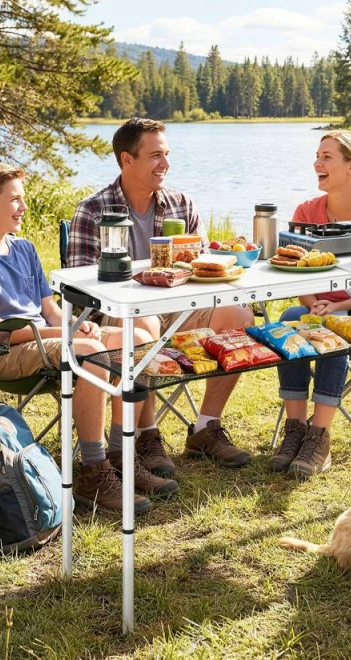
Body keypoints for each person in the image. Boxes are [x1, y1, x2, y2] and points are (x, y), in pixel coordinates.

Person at [0, 162, 167, 517]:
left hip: (44, 341)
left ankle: (120, 454)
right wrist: (68, 334)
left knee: (138, 339)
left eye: (23, 198)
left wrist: (75, 324)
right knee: (92, 352)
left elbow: (49, 309)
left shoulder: (24, 249)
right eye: (14, 200)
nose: (24, 206)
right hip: (1, 352)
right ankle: (93, 473)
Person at [67, 117, 254, 489]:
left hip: (179, 307)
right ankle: (146, 434)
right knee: (146, 324)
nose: (165, 164)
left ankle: (205, 427)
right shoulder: (93, 211)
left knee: (240, 314)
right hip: (118, 317)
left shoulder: (181, 204)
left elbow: (206, 268)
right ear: (127, 160)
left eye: (166, 154)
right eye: (155, 156)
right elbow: (82, 292)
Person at [270, 130, 351, 479]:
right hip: (320, 309)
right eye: (317, 155)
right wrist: (314, 305)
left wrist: (340, 308)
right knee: (290, 320)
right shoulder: (307, 211)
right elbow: (301, 279)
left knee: (335, 333)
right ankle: (295, 430)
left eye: (327, 157)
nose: (317, 163)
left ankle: (319, 436)